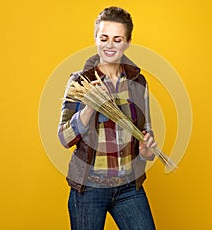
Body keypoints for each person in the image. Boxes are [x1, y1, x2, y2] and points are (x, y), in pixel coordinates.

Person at [58, 6, 157, 230]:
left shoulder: (138, 82)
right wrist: (90, 107)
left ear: (128, 42)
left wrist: (147, 151)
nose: (110, 45)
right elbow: (64, 138)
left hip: (128, 187)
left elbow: (146, 133)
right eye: (104, 38)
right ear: (95, 38)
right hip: (89, 187)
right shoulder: (79, 81)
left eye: (117, 38)